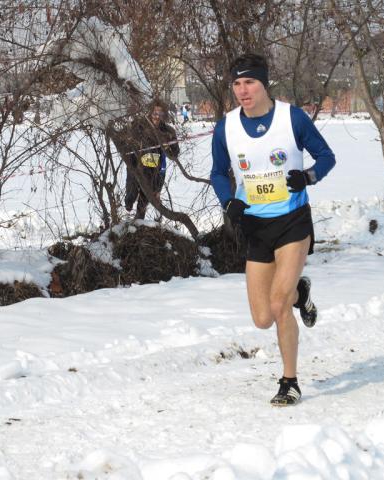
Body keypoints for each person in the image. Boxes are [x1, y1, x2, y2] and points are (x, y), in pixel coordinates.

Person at [210, 53, 336, 406]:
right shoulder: (227, 127)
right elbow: (219, 172)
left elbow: (326, 157)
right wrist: (228, 200)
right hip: (256, 226)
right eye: (236, 84)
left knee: (279, 304)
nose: (242, 90)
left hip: (292, 222)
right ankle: (301, 293)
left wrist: (308, 176)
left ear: (264, 84)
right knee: (263, 318)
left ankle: (289, 381)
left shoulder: (291, 118)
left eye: (249, 82)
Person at [112, 99, 180, 220]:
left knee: (145, 199)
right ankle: (128, 205)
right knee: (131, 195)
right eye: (155, 113)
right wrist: (127, 145)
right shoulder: (138, 125)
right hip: (135, 164)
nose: (157, 117)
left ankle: (139, 222)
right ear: (149, 112)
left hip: (154, 168)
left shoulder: (168, 131)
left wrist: (169, 145)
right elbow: (120, 139)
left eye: (160, 114)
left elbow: (174, 154)